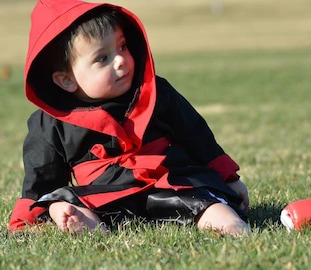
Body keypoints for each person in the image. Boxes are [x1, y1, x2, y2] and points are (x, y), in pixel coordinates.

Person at [9, 0, 250, 237]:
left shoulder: (155, 92)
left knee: (203, 200)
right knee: (60, 200)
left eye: (122, 46)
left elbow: (197, 135)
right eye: (102, 58)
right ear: (66, 80)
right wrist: (26, 219)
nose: (121, 60)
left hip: (167, 181)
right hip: (104, 195)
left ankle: (228, 224)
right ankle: (87, 224)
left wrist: (229, 178)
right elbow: (42, 174)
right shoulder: (50, 122)